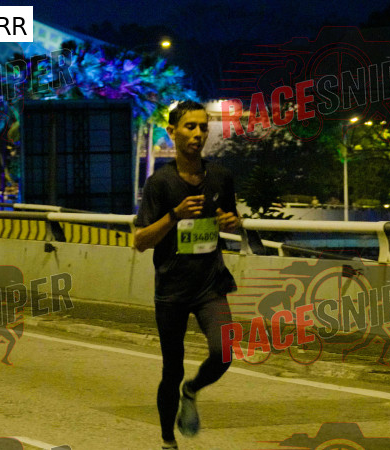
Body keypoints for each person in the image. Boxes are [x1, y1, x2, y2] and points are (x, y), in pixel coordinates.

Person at [134, 101, 240, 449]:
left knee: (224, 351)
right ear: (172, 132)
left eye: (203, 127)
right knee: (172, 370)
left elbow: (230, 219)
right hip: (172, 290)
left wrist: (232, 222)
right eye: (190, 127)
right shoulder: (160, 183)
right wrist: (174, 215)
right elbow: (140, 241)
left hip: (211, 285)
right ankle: (168, 441)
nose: (197, 134)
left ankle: (192, 391)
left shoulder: (221, 177)